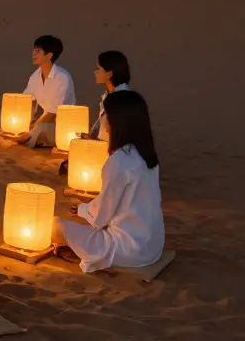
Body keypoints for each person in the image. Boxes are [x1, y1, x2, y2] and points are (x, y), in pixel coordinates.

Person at [52, 90, 164, 272]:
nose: (102, 118)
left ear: (116, 120)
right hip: (153, 245)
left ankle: (85, 253)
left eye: (105, 113)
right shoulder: (147, 155)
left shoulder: (119, 161)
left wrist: (81, 209)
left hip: (129, 249)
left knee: (56, 226)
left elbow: (101, 216)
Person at [0, 35, 75, 148]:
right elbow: (26, 101)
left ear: (49, 55)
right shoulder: (36, 76)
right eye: (34, 50)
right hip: (42, 119)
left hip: (59, 124)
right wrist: (17, 119)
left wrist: (31, 128)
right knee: (0, 118)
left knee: (39, 129)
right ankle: (11, 135)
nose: (33, 54)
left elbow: (52, 113)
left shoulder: (62, 78)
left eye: (38, 51)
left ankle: (21, 138)